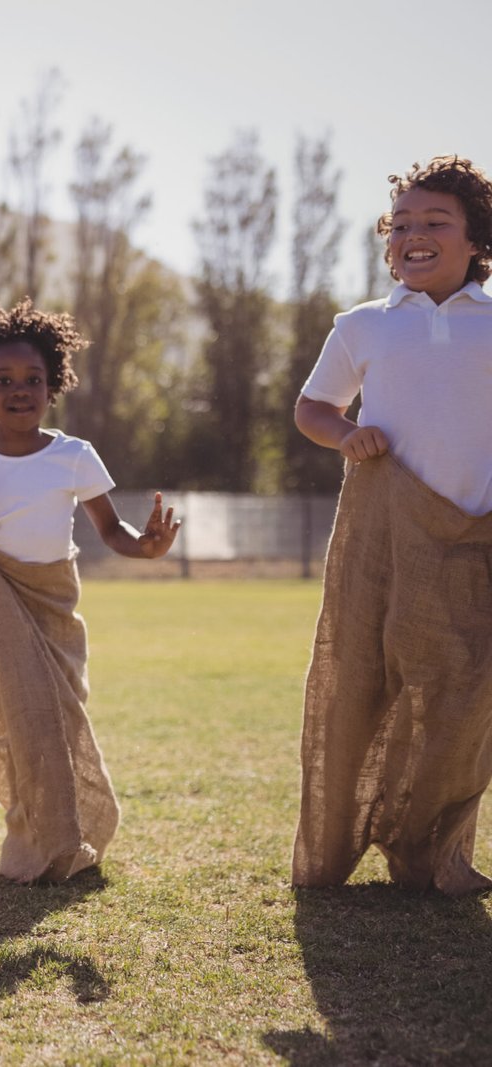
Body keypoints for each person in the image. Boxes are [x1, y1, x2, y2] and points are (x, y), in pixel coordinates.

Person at [292, 155, 492, 896]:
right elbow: (312, 408)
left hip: (475, 536)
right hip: (381, 538)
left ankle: (430, 851)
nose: (413, 234)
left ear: (477, 240)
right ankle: (334, 845)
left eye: (435, 222)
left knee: (465, 694)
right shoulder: (365, 326)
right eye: (400, 224)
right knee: (361, 682)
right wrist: (346, 435)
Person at [0, 298, 178, 884]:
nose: (20, 391)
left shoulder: (73, 456)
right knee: (22, 722)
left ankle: (77, 828)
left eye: (33, 380)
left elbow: (110, 530)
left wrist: (147, 546)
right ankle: (37, 839)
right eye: (4, 380)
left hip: (54, 604)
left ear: (53, 386)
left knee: (61, 717)